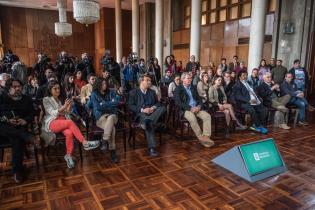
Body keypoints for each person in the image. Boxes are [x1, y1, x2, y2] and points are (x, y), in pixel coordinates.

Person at [42, 80, 100, 168]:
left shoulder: (58, 100)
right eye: (55, 89)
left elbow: (65, 113)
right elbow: (53, 113)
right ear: (50, 90)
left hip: (62, 121)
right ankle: (85, 142)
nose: (58, 90)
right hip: (52, 123)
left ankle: (68, 156)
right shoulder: (46, 99)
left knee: (69, 133)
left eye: (58, 88)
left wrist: (68, 108)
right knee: (69, 122)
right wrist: (64, 107)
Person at [0, 78, 34, 183]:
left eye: (19, 86)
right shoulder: (2, 98)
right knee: (6, 128)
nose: (18, 88)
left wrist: (25, 120)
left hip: (19, 126)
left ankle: (17, 172)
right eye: (14, 87)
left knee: (17, 139)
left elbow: (32, 114)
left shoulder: (26, 99)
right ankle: (24, 135)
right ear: (8, 88)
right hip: (3, 128)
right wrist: (7, 120)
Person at [128, 74, 166, 157]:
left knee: (162, 108)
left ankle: (147, 122)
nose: (150, 82)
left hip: (152, 113)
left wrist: (153, 107)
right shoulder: (133, 92)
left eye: (150, 80)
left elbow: (158, 103)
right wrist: (143, 110)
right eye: (147, 80)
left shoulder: (152, 92)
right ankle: (152, 148)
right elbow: (130, 106)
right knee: (149, 122)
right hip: (141, 114)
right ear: (141, 81)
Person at [174, 72, 214, 147]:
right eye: (188, 78)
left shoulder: (193, 87)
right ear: (183, 79)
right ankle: (201, 137)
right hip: (186, 109)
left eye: (190, 78)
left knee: (207, 116)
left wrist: (199, 106)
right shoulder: (178, 89)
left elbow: (199, 98)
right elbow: (178, 102)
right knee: (192, 118)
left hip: (196, 108)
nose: (190, 80)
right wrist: (190, 108)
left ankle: (206, 137)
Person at [87, 77, 120, 163]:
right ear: (98, 85)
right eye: (102, 84)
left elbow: (116, 102)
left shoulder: (111, 92)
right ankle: (113, 152)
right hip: (101, 118)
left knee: (112, 117)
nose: (104, 85)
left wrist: (104, 104)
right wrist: (109, 104)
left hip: (113, 116)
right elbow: (98, 107)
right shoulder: (94, 94)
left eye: (105, 84)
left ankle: (104, 140)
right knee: (112, 129)